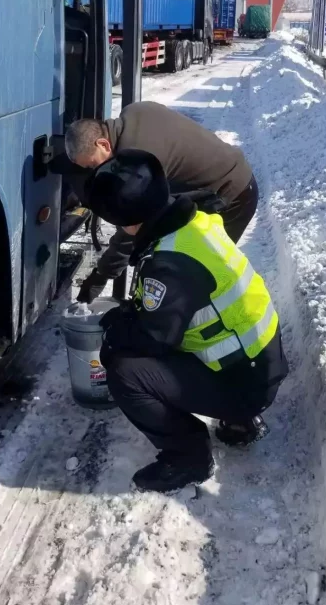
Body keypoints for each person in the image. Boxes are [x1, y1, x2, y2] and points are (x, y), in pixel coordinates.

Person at [85, 149, 288, 494]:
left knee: (123, 370)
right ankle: (238, 419)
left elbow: (151, 339)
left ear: (129, 221)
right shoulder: (195, 222)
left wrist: (114, 331)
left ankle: (188, 457)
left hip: (247, 383)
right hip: (260, 359)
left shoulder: (170, 265)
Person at [65, 101, 259, 302]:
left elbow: (133, 228)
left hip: (231, 196)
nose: (95, 172)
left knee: (193, 277)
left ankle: (222, 324)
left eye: (92, 165)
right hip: (224, 180)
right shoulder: (133, 112)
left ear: (103, 144)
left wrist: (101, 275)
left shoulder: (140, 160)